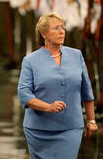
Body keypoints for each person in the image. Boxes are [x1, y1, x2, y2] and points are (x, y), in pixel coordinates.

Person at [17, 12, 98, 159]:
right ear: (43, 34)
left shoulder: (76, 55)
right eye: (56, 28)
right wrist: (48, 107)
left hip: (71, 127)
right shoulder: (30, 61)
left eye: (63, 27)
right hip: (38, 130)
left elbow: (86, 91)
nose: (62, 31)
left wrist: (91, 120)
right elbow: (24, 94)